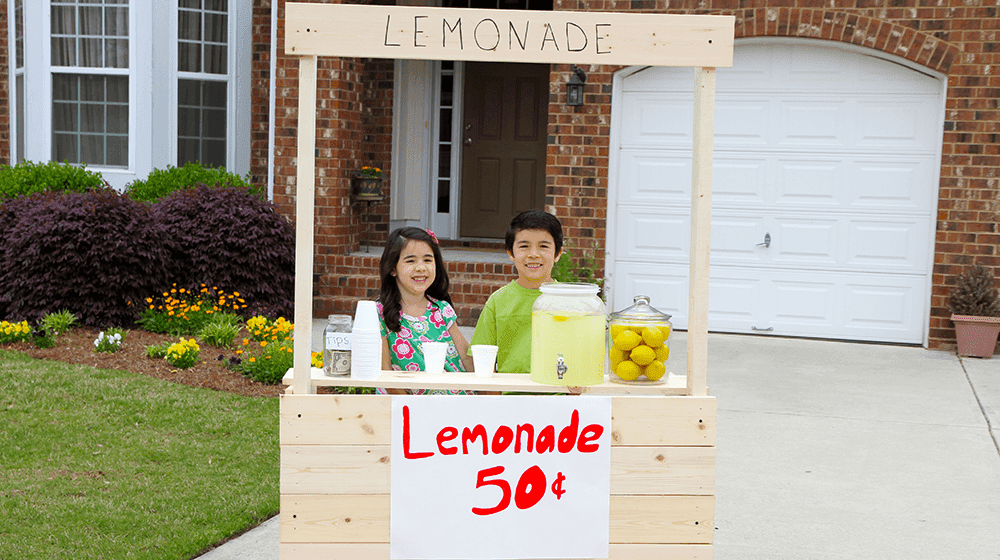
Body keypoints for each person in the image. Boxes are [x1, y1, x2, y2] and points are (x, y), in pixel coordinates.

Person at [469, 210, 563, 373]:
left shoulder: (570, 301)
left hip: (558, 394)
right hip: (510, 394)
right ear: (511, 253)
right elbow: (482, 360)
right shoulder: (498, 301)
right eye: (524, 246)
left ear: (557, 253)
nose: (533, 254)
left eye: (543, 246)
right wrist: (495, 396)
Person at [376, 227, 473, 386]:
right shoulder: (380, 313)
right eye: (411, 260)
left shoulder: (442, 309)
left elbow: (466, 357)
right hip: (407, 405)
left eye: (427, 260)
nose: (421, 267)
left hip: (456, 397)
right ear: (393, 268)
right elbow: (384, 374)